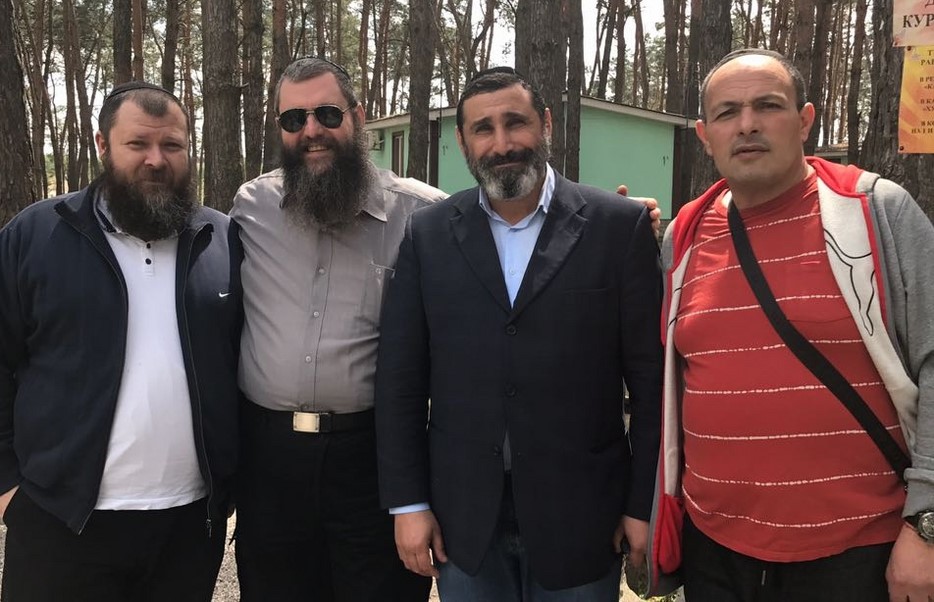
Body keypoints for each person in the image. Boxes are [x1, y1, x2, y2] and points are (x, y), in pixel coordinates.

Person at [648, 48, 934, 601]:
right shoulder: (683, 236)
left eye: (767, 105)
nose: (747, 124)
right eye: (727, 112)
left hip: (859, 554)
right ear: (705, 135)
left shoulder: (876, 212)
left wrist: (926, 525)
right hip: (715, 551)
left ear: (805, 121)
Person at [374, 67, 663, 601]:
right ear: (463, 141)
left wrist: (642, 504)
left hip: (582, 517)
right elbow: (400, 381)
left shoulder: (616, 227)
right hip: (465, 520)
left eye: (516, 123)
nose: (502, 143)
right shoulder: (428, 234)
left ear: (546, 123)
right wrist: (408, 503)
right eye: (483, 129)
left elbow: (651, 384)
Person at [0, 81, 243, 601]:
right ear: (102, 145)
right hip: (61, 522)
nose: (156, 160)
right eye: (138, 144)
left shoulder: (220, 241)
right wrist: (7, 486)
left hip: (187, 527)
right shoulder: (37, 236)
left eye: (171, 145)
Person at [229, 57, 446, 602]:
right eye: (293, 119)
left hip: (373, 459)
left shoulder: (423, 216)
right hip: (269, 463)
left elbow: (506, 247)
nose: (311, 131)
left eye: (327, 113)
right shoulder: (250, 208)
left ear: (358, 116)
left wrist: (612, 224)